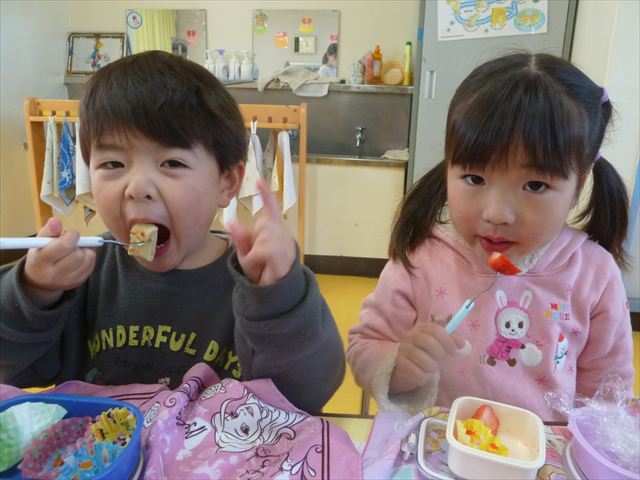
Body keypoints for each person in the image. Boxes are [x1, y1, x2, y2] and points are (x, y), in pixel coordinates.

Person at [0, 50, 345, 414]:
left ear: (227, 183)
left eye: (172, 163)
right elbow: (12, 370)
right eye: (113, 163)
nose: (137, 187)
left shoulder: (256, 285)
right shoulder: (81, 275)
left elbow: (306, 395)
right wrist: (33, 292)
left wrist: (279, 300)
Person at [347, 52, 635, 421]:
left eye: (535, 185)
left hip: (542, 453)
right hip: (435, 446)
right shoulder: (422, 258)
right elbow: (366, 346)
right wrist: (400, 367)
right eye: (475, 178)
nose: (496, 213)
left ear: (578, 184)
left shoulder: (594, 274)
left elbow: (607, 399)